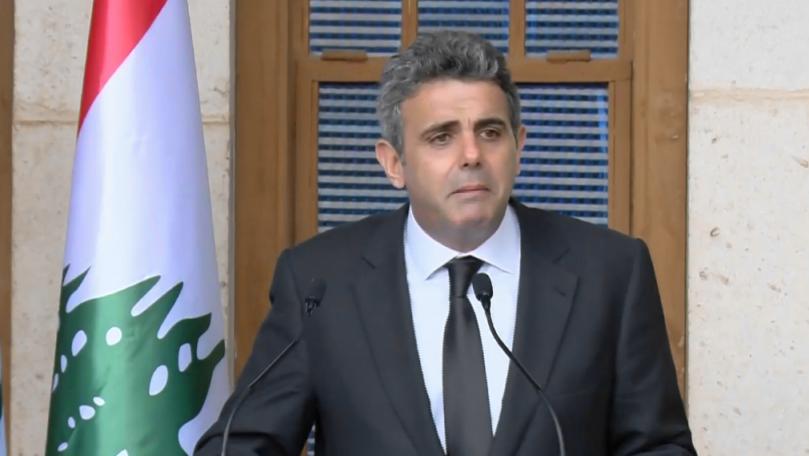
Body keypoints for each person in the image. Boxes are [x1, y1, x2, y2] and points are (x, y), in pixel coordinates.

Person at [195, 31, 696, 455]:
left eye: (491, 132)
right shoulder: (321, 282)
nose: (472, 155)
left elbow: (659, 446)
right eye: (442, 137)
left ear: (519, 147)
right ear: (394, 163)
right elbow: (243, 444)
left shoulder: (610, 272)